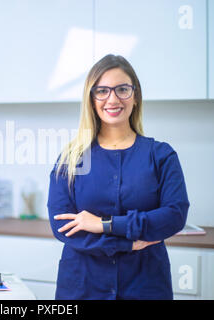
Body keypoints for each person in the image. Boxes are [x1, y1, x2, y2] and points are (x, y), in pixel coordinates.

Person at [47, 54, 190, 300]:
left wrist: (105, 224)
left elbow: (174, 216)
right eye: (102, 91)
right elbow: (63, 227)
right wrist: (126, 242)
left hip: (146, 286)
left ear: (135, 97)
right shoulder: (71, 159)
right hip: (83, 287)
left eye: (122, 89)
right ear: (91, 100)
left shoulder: (161, 155)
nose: (112, 99)